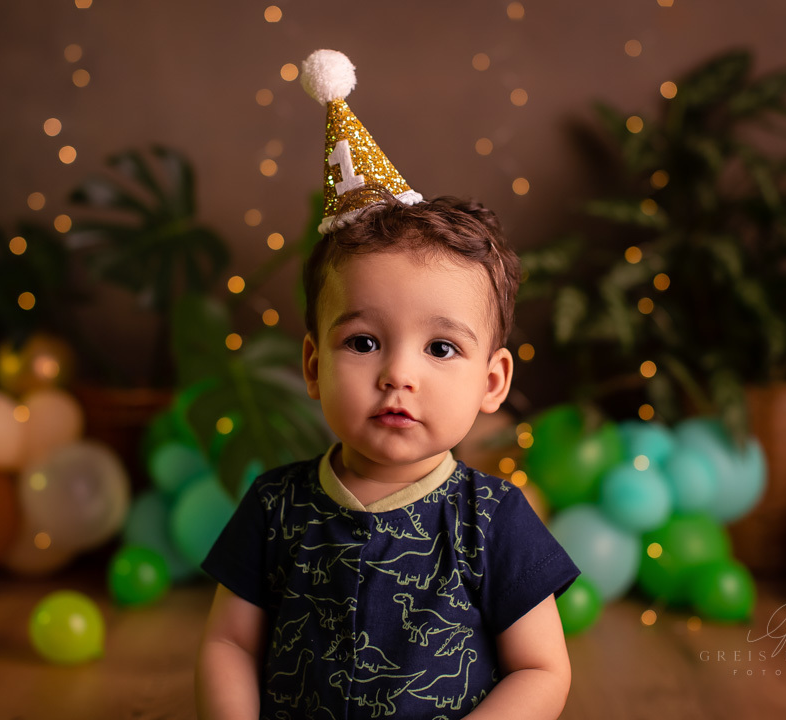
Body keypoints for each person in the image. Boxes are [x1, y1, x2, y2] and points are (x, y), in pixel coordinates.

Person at [196, 50, 580, 720]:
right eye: (364, 342)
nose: (398, 373)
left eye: (440, 347)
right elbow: (229, 643)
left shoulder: (491, 521)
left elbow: (542, 669)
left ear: (492, 381)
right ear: (313, 367)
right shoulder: (276, 507)